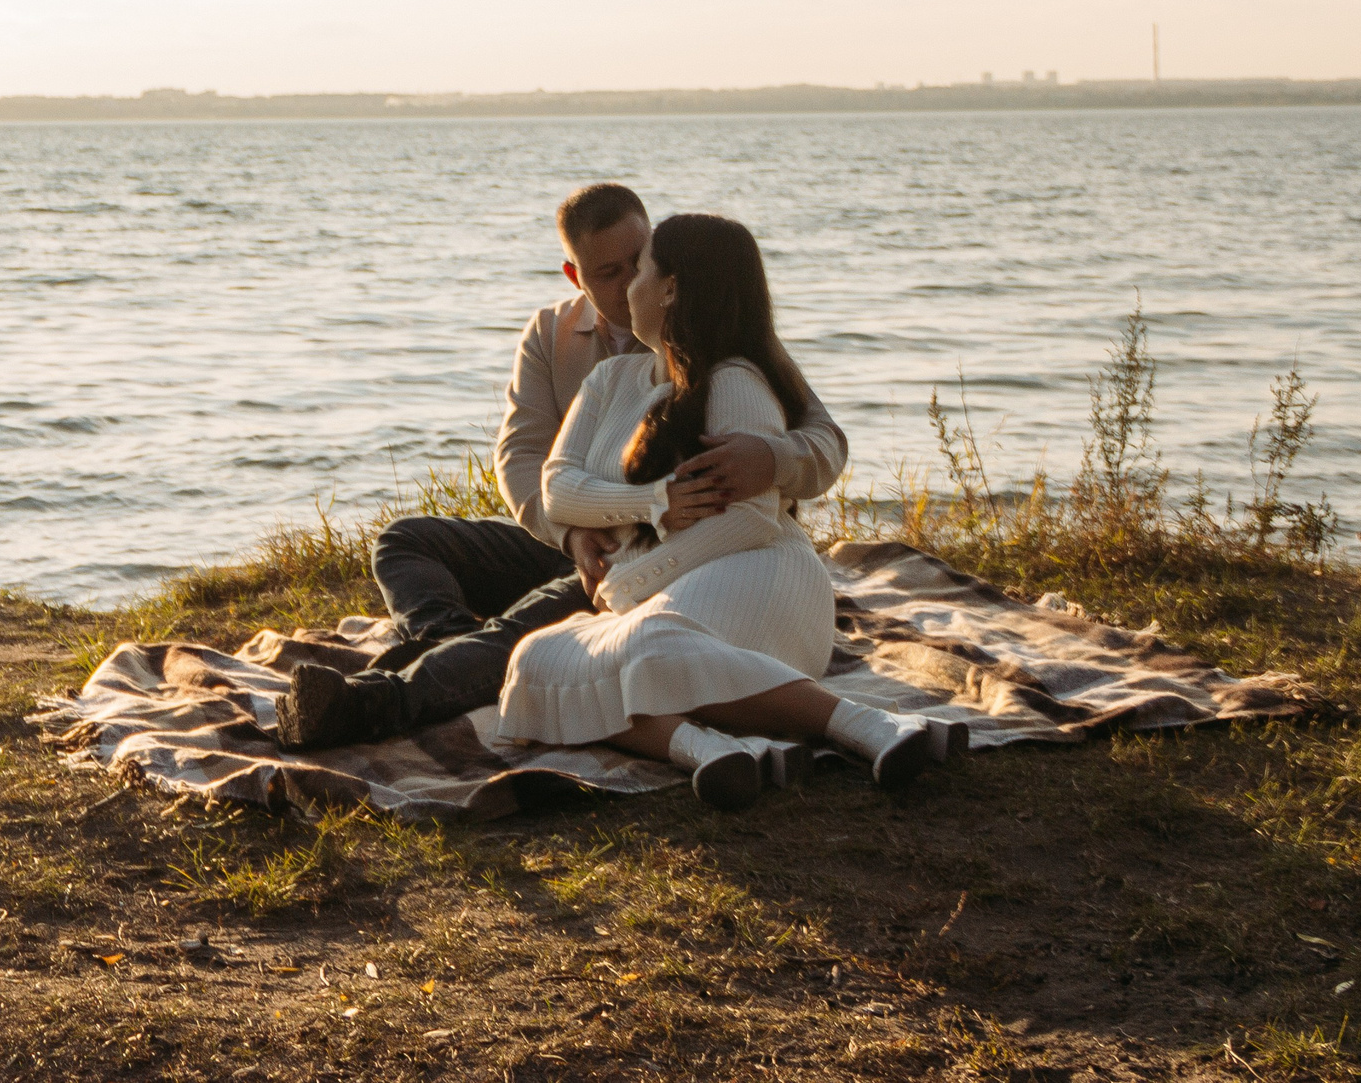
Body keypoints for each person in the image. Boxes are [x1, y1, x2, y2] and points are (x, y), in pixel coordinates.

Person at [273, 182, 848, 750]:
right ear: (575, 276)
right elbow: (525, 460)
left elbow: (823, 439)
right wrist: (572, 534)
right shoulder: (553, 337)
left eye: (638, 262)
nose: (627, 283)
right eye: (607, 272)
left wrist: (771, 458)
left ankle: (378, 701)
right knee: (403, 540)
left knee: (527, 629)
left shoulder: (720, 341)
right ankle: (448, 643)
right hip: (570, 536)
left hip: (663, 556)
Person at [494, 212, 962, 807]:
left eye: (639, 269)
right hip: (669, 599)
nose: (626, 287)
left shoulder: (734, 378)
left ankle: (865, 725)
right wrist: (655, 504)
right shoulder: (611, 380)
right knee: (534, 661)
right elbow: (557, 487)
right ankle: (706, 748)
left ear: (670, 288)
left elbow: (752, 520)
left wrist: (632, 582)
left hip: (759, 578)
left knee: (646, 646)